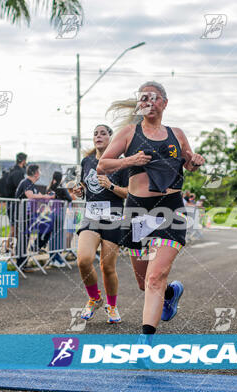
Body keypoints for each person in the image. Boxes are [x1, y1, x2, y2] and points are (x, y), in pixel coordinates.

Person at [98, 81, 205, 337]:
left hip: (169, 209)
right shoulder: (128, 133)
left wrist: (196, 161)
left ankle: (145, 344)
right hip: (138, 211)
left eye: (154, 97)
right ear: (139, 103)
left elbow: (189, 163)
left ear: (164, 103)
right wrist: (131, 161)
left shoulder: (176, 134)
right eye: (144, 97)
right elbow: (103, 165)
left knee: (155, 276)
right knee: (144, 282)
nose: (149, 101)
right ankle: (171, 293)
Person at [71, 124, 129, 323]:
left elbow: (129, 192)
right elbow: (84, 187)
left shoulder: (121, 163)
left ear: (111, 138)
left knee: (107, 267)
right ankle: (94, 298)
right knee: (84, 260)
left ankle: (112, 307)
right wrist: (80, 191)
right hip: (91, 216)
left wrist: (111, 186)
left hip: (113, 217)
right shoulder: (87, 161)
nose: (98, 136)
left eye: (103, 133)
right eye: (95, 133)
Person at [14, 164, 54, 271]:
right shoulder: (26, 182)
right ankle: (21, 263)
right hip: (22, 215)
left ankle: (36, 246)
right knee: (24, 238)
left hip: (30, 215)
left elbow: (36, 198)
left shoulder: (32, 184)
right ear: (36, 173)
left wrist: (47, 198)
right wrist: (43, 196)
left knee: (48, 224)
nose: (40, 173)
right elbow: (30, 196)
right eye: (39, 171)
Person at [4, 153, 27, 253]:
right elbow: (20, 189)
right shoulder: (19, 172)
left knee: (15, 228)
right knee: (14, 228)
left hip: (11, 203)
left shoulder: (11, 170)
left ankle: (11, 249)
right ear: (23, 161)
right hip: (15, 204)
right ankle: (8, 249)